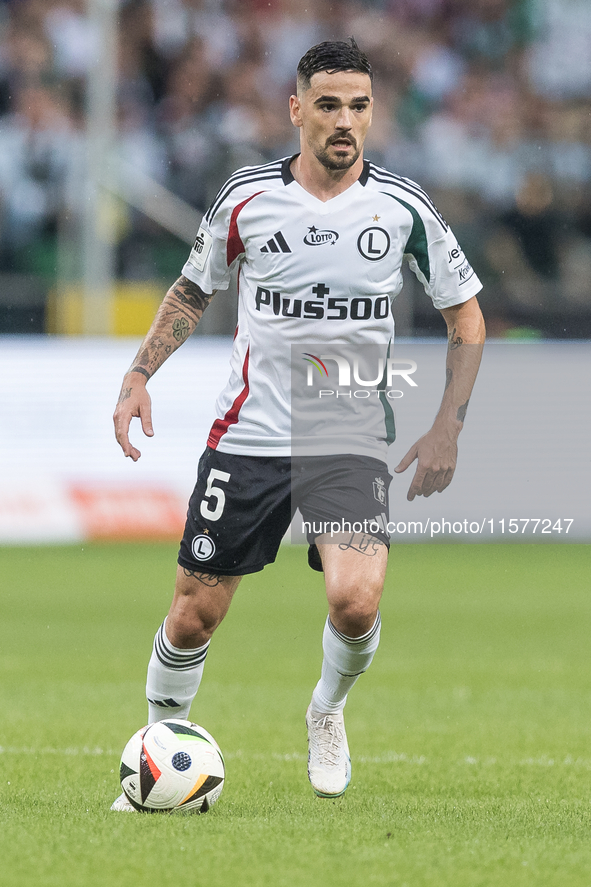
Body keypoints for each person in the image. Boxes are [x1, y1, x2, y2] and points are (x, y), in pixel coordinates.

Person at [111, 39, 485, 810]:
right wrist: (139, 374)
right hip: (247, 435)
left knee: (357, 601)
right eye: (327, 105)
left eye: (358, 105)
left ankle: (326, 709)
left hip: (343, 432)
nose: (344, 121)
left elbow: (467, 320)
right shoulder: (248, 198)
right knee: (192, 613)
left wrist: (447, 423)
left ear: (371, 112)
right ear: (296, 110)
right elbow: (190, 292)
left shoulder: (402, 208)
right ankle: (158, 746)